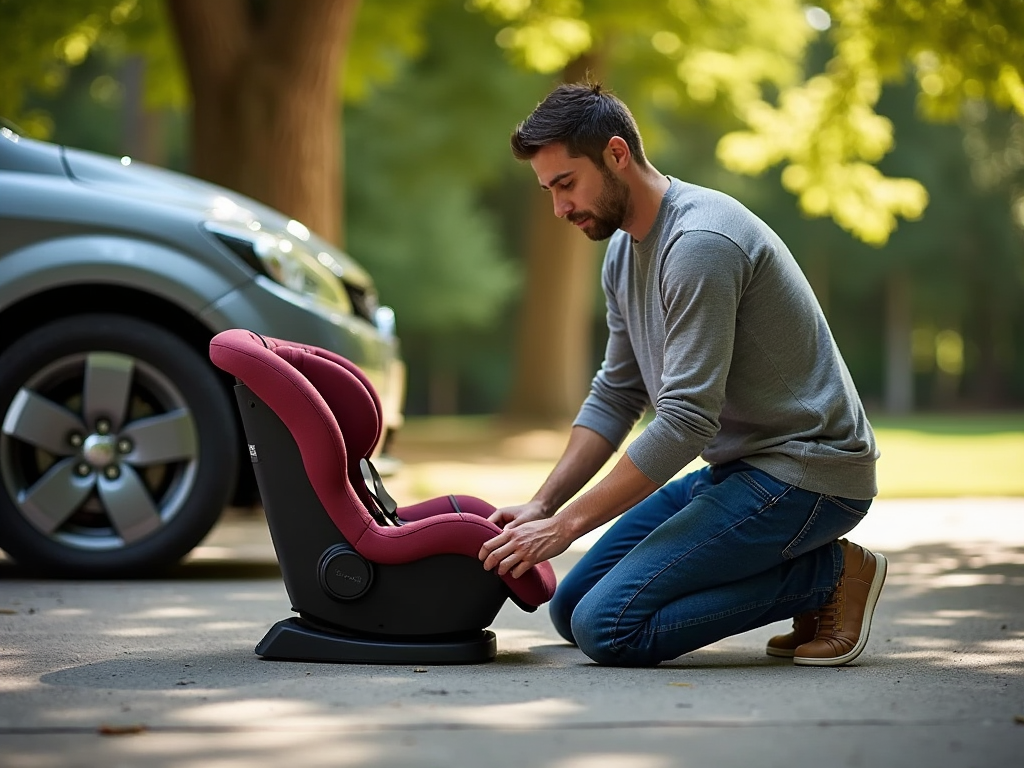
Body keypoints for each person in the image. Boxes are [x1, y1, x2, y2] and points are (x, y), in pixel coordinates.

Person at [477, 81, 886, 668]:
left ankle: (828, 576)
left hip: (806, 475)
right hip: (738, 472)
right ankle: (801, 575)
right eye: (548, 191)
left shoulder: (700, 243)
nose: (559, 208)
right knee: (570, 607)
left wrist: (567, 526)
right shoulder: (622, 250)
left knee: (607, 627)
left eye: (565, 184)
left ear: (617, 154)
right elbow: (618, 393)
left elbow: (687, 420)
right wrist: (545, 505)